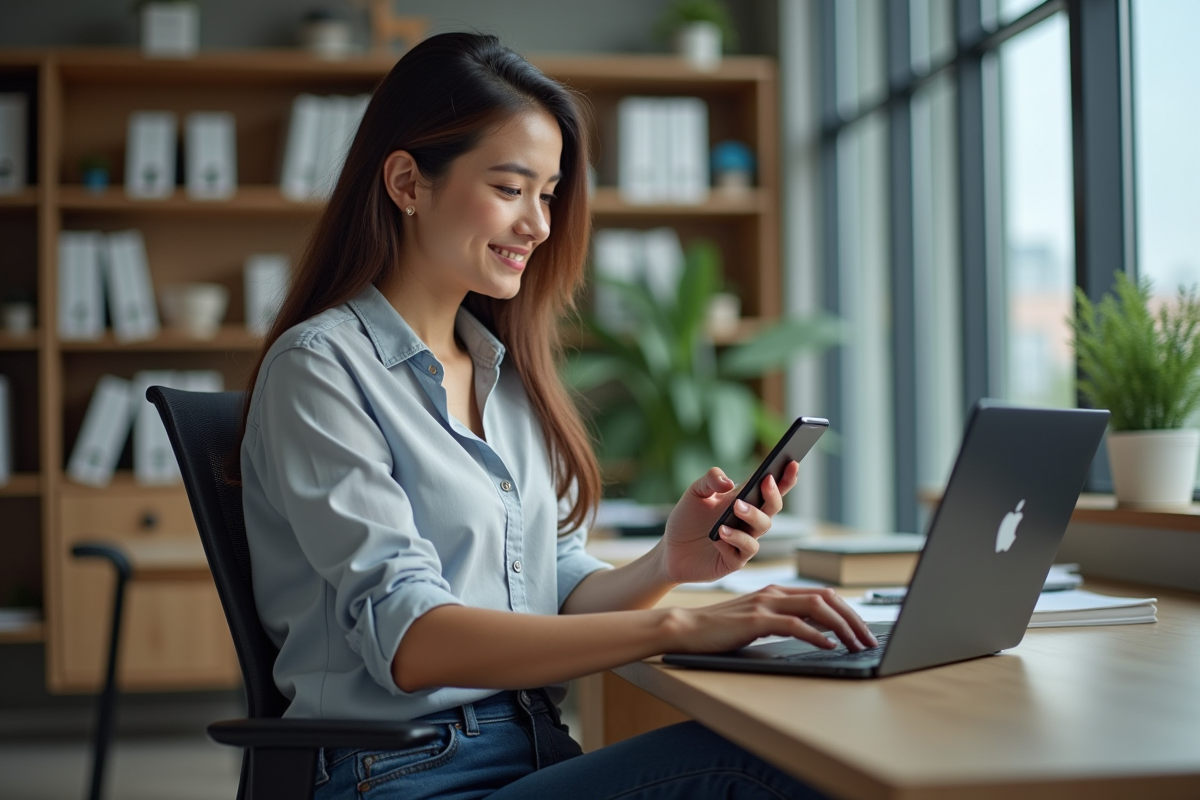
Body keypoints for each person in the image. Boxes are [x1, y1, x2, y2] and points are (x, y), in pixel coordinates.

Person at [239, 31, 876, 800]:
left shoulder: (502, 372)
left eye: (547, 194)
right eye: (511, 189)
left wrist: (669, 567)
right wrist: (683, 624)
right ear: (408, 182)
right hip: (402, 776)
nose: (539, 225)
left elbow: (549, 585)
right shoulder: (321, 369)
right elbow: (411, 641)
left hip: (532, 751)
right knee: (764, 766)